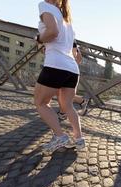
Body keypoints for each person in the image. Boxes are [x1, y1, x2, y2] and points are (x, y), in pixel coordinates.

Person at [34, 0, 85, 152]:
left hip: (56, 65)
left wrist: (38, 38)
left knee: (40, 103)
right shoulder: (66, 19)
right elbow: (66, 45)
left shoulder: (44, 6)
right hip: (72, 69)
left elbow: (52, 32)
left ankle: (60, 136)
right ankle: (79, 139)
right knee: (67, 105)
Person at [57, 40, 89, 120]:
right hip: (72, 71)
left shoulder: (63, 40)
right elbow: (79, 58)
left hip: (63, 70)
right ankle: (81, 101)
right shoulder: (71, 40)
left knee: (61, 92)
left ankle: (63, 113)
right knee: (65, 93)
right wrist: (72, 66)